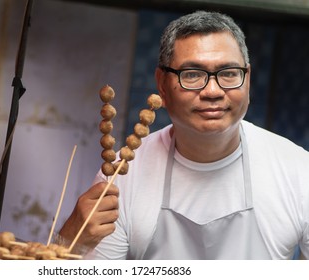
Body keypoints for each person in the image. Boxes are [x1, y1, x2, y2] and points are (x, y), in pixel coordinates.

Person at [59, 10, 309, 259]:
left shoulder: (299, 171)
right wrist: (70, 241)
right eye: (192, 74)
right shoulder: (122, 176)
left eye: (229, 73)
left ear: (247, 79)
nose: (213, 91)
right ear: (162, 84)